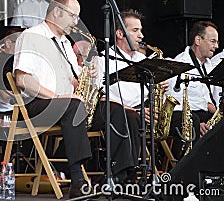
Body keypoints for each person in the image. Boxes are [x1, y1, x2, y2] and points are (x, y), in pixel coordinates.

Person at [13, 0, 91, 198]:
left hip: (67, 104)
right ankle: (77, 180)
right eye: (73, 16)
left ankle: (120, 177)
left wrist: (88, 78)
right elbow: (23, 80)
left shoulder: (65, 43)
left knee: (115, 110)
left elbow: (76, 80)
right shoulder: (31, 36)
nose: (76, 22)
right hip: (37, 104)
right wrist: (57, 97)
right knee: (74, 107)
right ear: (57, 12)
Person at [93, 9, 165, 183]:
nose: (141, 35)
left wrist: (159, 86)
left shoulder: (143, 61)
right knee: (130, 116)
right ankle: (125, 173)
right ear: (119, 33)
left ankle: (131, 172)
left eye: (140, 30)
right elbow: (99, 95)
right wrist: (132, 109)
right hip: (112, 111)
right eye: (135, 30)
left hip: (140, 111)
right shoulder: (103, 59)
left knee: (134, 116)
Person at [166, 21, 219, 159]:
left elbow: (210, 100)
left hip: (204, 115)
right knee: (192, 120)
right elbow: (175, 103)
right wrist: (199, 123)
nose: (216, 46)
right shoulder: (180, 64)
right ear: (197, 40)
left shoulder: (210, 66)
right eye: (213, 41)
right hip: (184, 116)